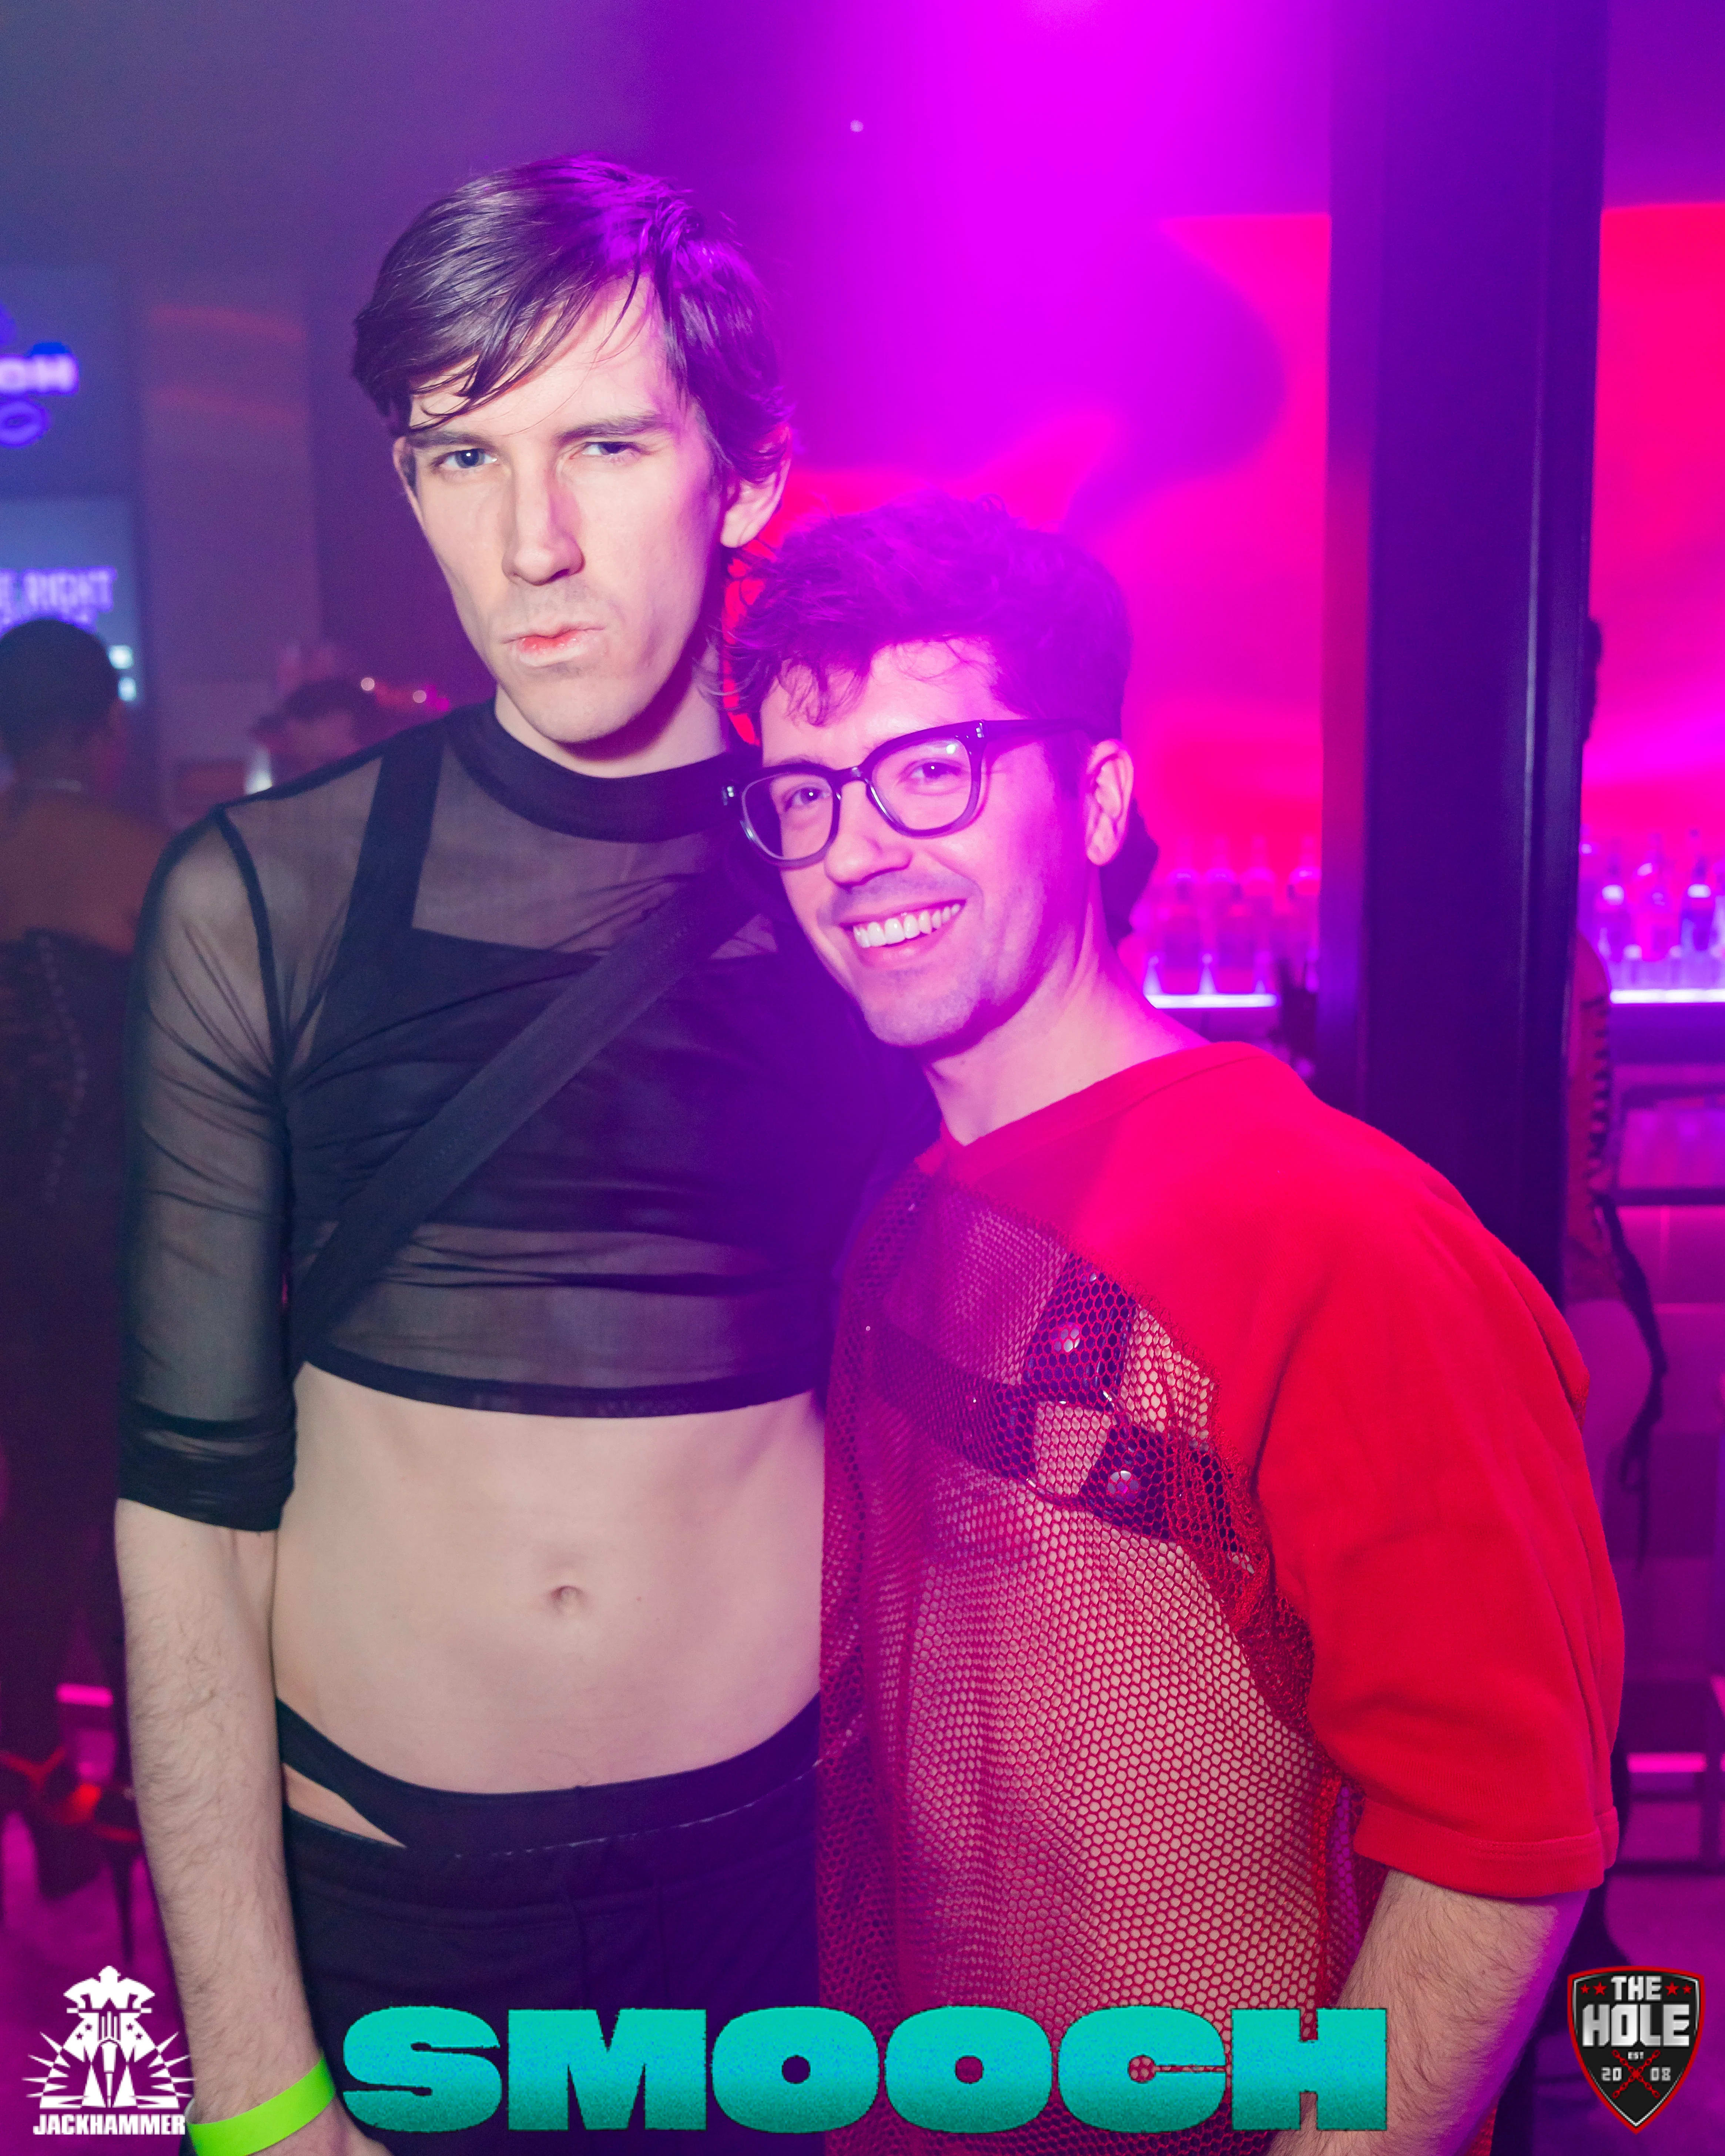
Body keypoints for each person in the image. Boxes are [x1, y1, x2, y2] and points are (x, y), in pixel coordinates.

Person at [117, 159, 929, 2156]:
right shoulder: (265, 900)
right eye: (461, 457)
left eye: (606, 446)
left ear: (745, 479)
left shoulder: (858, 901)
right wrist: (254, 2084)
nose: (530, 542)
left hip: (771, 1888)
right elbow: (188, 1521)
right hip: (386, 1896)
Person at [729, 492, 1622, 2156]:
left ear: (1093, 800)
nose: (852, 850)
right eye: (804, 794)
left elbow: (1498, 1848)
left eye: (930, 770)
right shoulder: (904, 1204)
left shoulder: (1332, 1235)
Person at [0, 618, 163, 1927]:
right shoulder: (137, 857)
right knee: (129, 1515)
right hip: (109, 1238)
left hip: (12, 1240)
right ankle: (150, 1798)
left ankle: (51, 1795)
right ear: (103, 731)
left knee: (43, 1508)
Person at [253, 677, 391, 785]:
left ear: (340, 720)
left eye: (305, 730)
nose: (296, 744)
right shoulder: (376, 776)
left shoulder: (375, 783)